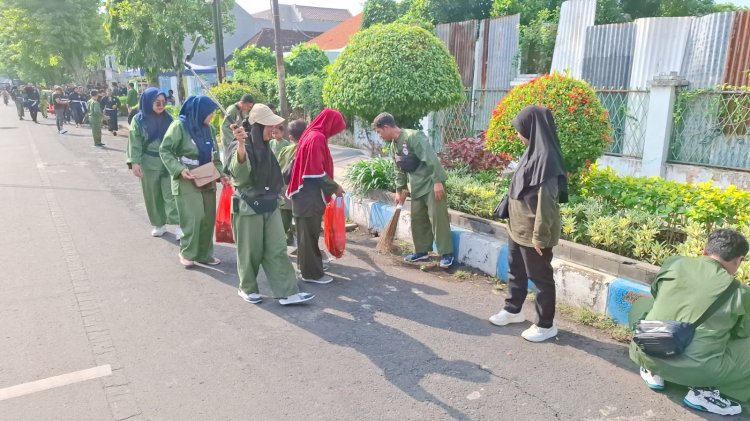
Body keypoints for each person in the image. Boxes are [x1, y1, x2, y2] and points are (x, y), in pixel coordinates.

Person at [630, 229, 749, 416]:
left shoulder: (674, 263)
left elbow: (656, 292)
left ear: (704, 250)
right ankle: (706, 391)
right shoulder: (740, 292)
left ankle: (654, 370)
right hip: (699, 372)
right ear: (739, 260)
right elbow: (743, 332)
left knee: (642, 305)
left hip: (646, 350)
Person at [487, 106, 567, 343]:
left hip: (533, 231)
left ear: (532, 129)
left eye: (520, 130)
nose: (518, 135)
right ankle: (513, 310)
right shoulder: (531, 152)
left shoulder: (547, 160)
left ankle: (545, 324)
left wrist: (540, 237)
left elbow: (547, 203)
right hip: (517, 227)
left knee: (540, 278)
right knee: (516, 271)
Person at [225, 104, 314, 306]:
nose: (273, 130)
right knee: (250, 251)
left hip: (270, 203)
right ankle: (246, 288)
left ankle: (287, 291)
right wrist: (240, 145)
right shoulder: (240, 144)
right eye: (268, 126)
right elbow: (239, 174)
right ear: (257, 126)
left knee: (277, 248)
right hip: (248, 206)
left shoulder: (266, 147)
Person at [372, 112, 455, 269]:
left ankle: (446, 254)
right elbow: (399, 170)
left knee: (438, 219)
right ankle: (421, 251)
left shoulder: (413, 136)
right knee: (417, 220)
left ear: (386, 127)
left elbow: (430, 158)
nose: (379, 136)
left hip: (431, 184)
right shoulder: (393, 146)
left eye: (379, 132)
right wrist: (399, 190)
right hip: (416, 186)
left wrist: (438, 181)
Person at [160, 95, 228, 267]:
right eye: (210, 113)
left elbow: (215, 156)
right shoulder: (179, 126)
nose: (212, 116)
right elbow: (165, 151)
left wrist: (222, 174)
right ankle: (187, 252)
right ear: (199, 112)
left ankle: (205, 254)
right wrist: (179, 170)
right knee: (194, 217)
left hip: (207, 177)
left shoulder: (209, 129)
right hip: (186, 178)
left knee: (207, 219)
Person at [287, 109, 346, 285]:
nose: (336, 133)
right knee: (308, 237)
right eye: (336, 128)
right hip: (308, 198)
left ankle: (306, 267)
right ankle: (311, 274)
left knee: (306, 236)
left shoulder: (311, 134)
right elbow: (315, 171)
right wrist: (335, 187)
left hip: (304, 197)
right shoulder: (317, 138)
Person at [127, 87, 181, 239]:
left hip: (167, 161)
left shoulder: (169, 119)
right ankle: (159, 224)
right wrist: (134, 162)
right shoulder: (139, 120)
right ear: (148, 102)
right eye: (157, 102)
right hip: (148, 162)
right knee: (152, 194)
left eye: (163, 102)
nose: (161, 105)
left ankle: (179, 226)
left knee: (172, 194)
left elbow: (177, 140)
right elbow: (134, 142)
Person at [277, 119, 307, 246]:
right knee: (302, 227)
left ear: (290, 137)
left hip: (284, 192)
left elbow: (278, 168)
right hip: (301, 193)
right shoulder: (308, 149)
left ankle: (278, 247)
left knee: (281, 225)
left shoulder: (285, 150)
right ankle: (302, 251)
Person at [220, 94, 254, 162]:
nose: (248, 108)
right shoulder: (232, 110)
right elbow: (225, 127)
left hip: (237, 139)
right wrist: (234, 140)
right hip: (229, 140)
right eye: (247, 106)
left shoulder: (242, 111)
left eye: (250, 107)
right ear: (241, 103)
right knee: (229, 159)